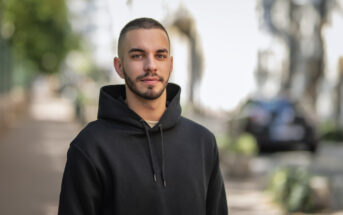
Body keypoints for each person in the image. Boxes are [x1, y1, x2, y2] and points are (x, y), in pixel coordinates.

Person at [58, 17, 228, 215]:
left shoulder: (203, 142)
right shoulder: (90, 146)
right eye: (138, 56)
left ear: (171, 65)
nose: (151, 65)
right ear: (119, 66)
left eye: (160, 56)